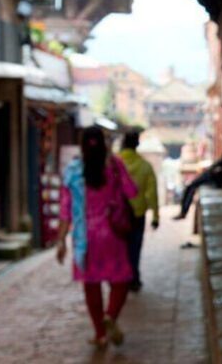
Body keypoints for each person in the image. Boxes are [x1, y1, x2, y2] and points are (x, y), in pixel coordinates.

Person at [56, 126, 138, 349]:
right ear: (104, 144)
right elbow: (133, 191)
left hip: (85, 239)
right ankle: (110, 315)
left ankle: (100, 334)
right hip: (112, 234)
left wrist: (61, 241)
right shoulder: (113, 165)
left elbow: (65, 210)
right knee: (120, 280)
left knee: (91, 286)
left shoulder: (73, 170)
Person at [118, 130, 160, 292]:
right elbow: (152, 193)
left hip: (116, 215)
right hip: (137, 213)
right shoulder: (144, 166)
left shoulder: (114, 164)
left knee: (120, 248)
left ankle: (121, 278)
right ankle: (133, 277)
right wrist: (155, 216)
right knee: (134, 247)